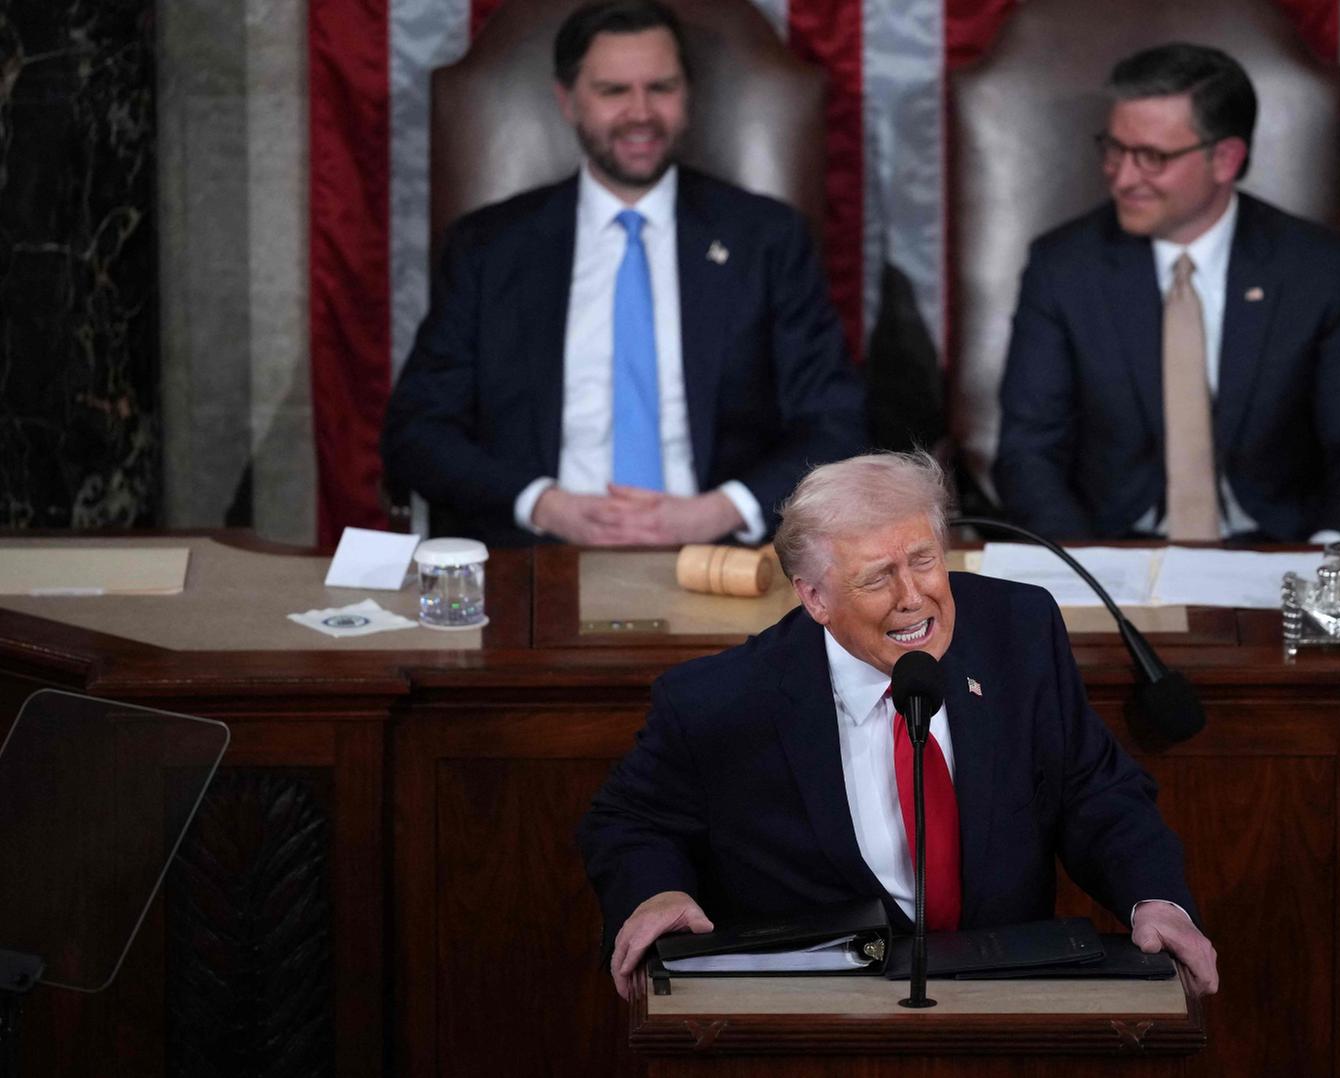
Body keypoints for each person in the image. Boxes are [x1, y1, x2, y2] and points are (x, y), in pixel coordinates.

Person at [577, 451, 1219, 1000]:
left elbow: (1094, 790)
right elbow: (632, 821)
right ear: (815, 597)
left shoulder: (1019, 634)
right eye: (878, 577)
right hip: (814, 1023)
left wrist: (1154, 897)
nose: (913, 596)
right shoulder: (721, 699)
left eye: (924, 560)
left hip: (1007, 1002)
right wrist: (653, 894)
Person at [382, 0, 865, 548]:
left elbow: (836, 422)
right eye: (613, 91)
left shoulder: (767, 240)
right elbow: (417, 431)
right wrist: (541, 503)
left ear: (687, 96)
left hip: (720, 556)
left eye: (660, 87)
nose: (641, 112)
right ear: (568, 100)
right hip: (538, 558)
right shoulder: (489, 248)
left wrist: (723, 509)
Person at [994, 43, 1340, 543]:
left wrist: (1330, 559)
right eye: (1115, 149)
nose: (1122, 177)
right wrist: (1083, 565)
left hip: (1278, 550)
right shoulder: (1063, 267)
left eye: (1151, 157)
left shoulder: (1316, 268)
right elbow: (1029, 452)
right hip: (1112, 548)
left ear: (1225, 159)